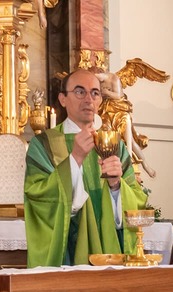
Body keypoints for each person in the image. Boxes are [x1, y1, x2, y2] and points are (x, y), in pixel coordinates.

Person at [24, 68, 148, 267]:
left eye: (95, 93)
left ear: (100, 101)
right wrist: (75, 159)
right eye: (80, 92)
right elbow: (38, 199)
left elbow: (137, 203)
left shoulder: (115, 144)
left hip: (110, 257)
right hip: (67, 256)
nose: (89, 99)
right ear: (63, 99)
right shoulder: (43, 144)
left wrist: (116, 186)